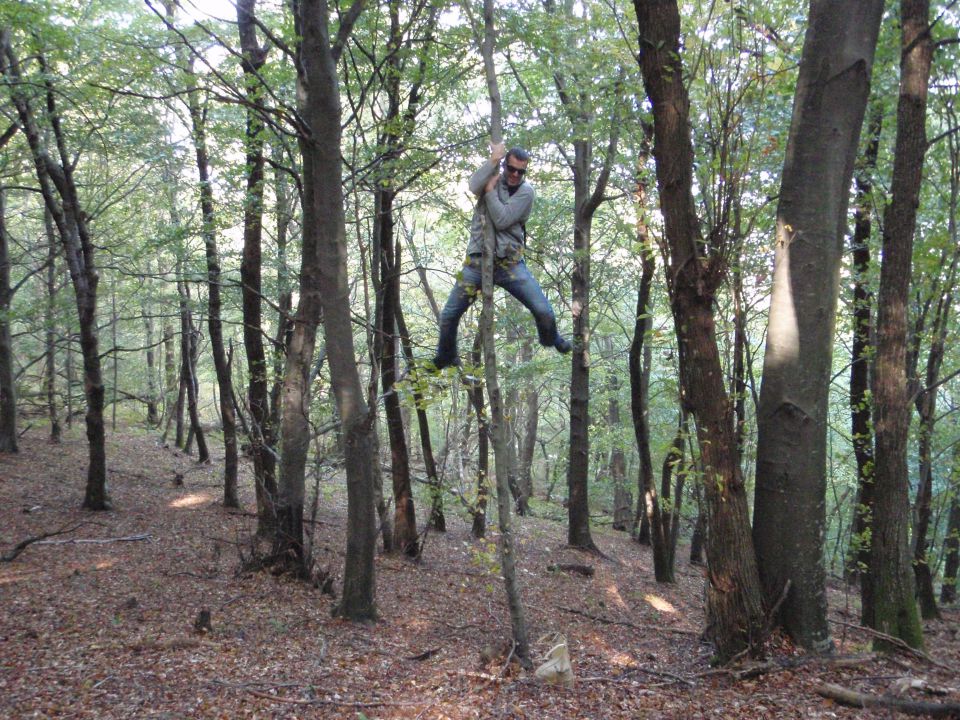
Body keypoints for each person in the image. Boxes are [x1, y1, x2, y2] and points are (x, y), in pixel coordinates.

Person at [431, 142, 571, 370]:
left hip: (510, 264)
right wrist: (493, 161)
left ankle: (549, 338)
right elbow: (473, 185)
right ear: (506, 165)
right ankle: (447, 355)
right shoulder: (494, 176)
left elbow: (503, 219)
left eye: (521, 171)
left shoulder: (526, 192)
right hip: (478, 261)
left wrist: (489, 193)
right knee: (449, 314)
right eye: (511, 168)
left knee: (543, 310)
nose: (515, 174)